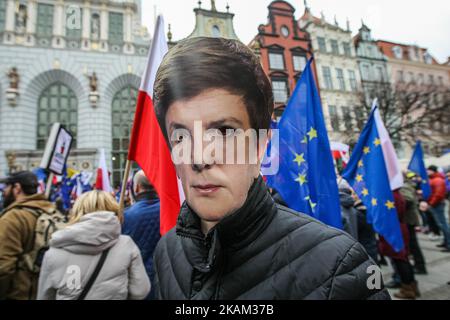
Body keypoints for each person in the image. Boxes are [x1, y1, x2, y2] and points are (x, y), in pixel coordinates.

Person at [151, 37, 390, 300]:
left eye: (224, 131)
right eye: (181, 136)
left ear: (261, 146)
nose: (199, 158)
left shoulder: (339, 266)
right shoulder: (166, 251)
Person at [37, 190, 150, 300]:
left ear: (77, 211)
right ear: (114, 211)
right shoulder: (126, 244)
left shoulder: (54, 251)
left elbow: (45, 296)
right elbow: (140, 291)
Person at [0, 171, 57, 300]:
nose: (4, 192)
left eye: (6, 187)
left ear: (17, 188)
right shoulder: (51, 211)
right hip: (45, 292)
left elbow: (3, 265)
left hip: (20, 294)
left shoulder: (12, 218)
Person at [122, 170, 160, 299]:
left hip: (138, 280)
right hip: (166, 277)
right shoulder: (170, 210)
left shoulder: (125, 216)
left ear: (137, 188)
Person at [379, 190, 419, 299]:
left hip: (394, 229)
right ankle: (411, 285)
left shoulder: (392, 194)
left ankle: (407, 289)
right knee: (403, 259)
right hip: (399, 228)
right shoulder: (396, 193)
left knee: (400, 260)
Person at [401, 174, 427, 274]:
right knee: (411, 244)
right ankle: (418, 265)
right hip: (408, 219)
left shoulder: (405, 186)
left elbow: (407, 200)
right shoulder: (407, 185)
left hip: (409, 219)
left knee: (413, 244)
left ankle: (420, 266)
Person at [425, 165, 450, 252]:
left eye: (428, 170)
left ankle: (449, 244)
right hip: (435, 204)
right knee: (441, 224)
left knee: (443, 224)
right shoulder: (433, 179)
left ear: (433, 171)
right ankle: (446, 242)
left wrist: (431, 203)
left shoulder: (437, 180)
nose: (427, 172)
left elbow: (438, 195)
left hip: (437, 205)